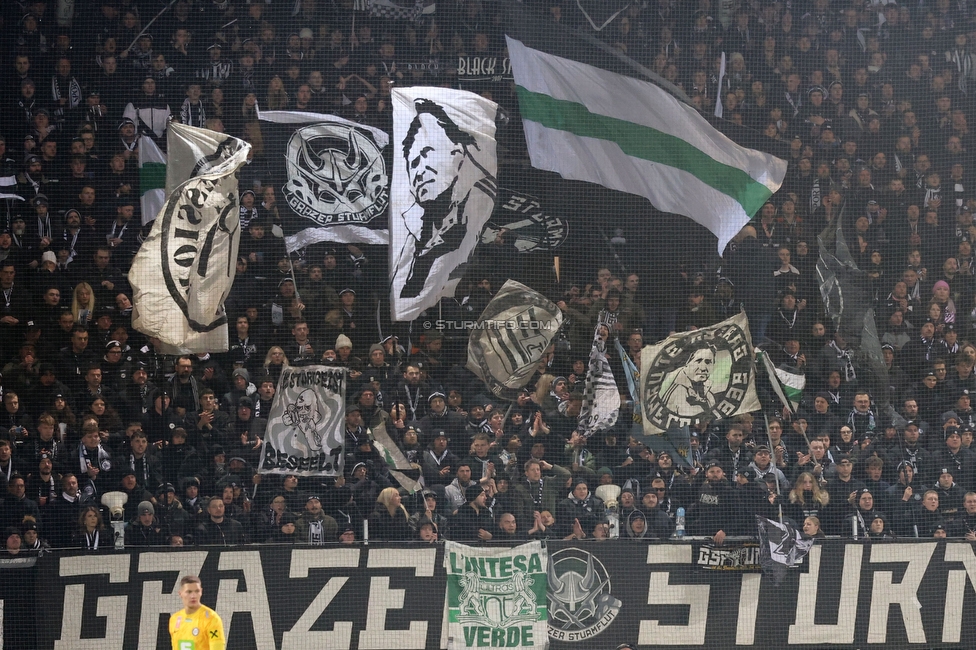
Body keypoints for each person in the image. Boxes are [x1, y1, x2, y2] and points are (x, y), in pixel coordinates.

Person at [391, 98, 497, 309]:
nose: (420, 170)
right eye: (413, 163)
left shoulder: (476, 209)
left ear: (457, 154)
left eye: (427, 153)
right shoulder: (405, 223)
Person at [169, 575, 226, 650]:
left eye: (197, 591)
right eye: (189, 592)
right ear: (180, 593)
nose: (193, 596)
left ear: (201, 592)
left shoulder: (212, 619)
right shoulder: (174, 619)